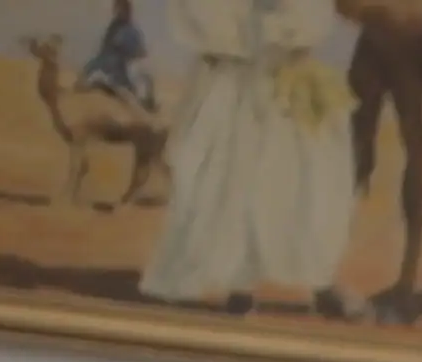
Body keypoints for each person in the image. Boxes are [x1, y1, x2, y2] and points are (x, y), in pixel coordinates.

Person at [134, 0, 356, 311]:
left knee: (303, 179)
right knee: (222, 178)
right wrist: (251, 34)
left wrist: (284, 31)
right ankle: (237, 282)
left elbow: (312, 17)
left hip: (286, 75)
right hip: (229, 79)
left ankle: (319, 279)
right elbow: (201, 19)